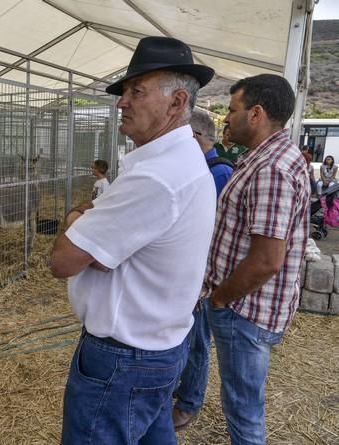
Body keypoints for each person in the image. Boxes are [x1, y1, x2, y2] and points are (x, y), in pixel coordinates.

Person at [50, 36, 216, 445]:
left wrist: (77, 216)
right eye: (124, 92)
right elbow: (108, 254)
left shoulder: (154, 177)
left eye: (136, 92)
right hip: (161, 347)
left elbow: (63, 260)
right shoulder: (185, 159)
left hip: (123, 359)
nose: (122, 103)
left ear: (177, 103)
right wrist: (102, 247)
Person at [205, 74, 309, 445]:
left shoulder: (270, 169)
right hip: (247, 306)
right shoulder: (269, 155)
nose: (226, 118)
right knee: (242, 401)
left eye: (233, 110)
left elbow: (266, 259)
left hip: (244, 310)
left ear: (256, 113)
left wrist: (220, 298)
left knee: (243, 409)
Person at [171, 110, 233, 430]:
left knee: (197, 339)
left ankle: (189, 401)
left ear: (196, 137)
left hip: (205, 275)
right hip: (195, 270)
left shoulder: (217, 172)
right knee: (188, 334)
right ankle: (183, 391)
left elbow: (211, 230)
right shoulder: (206, 169)